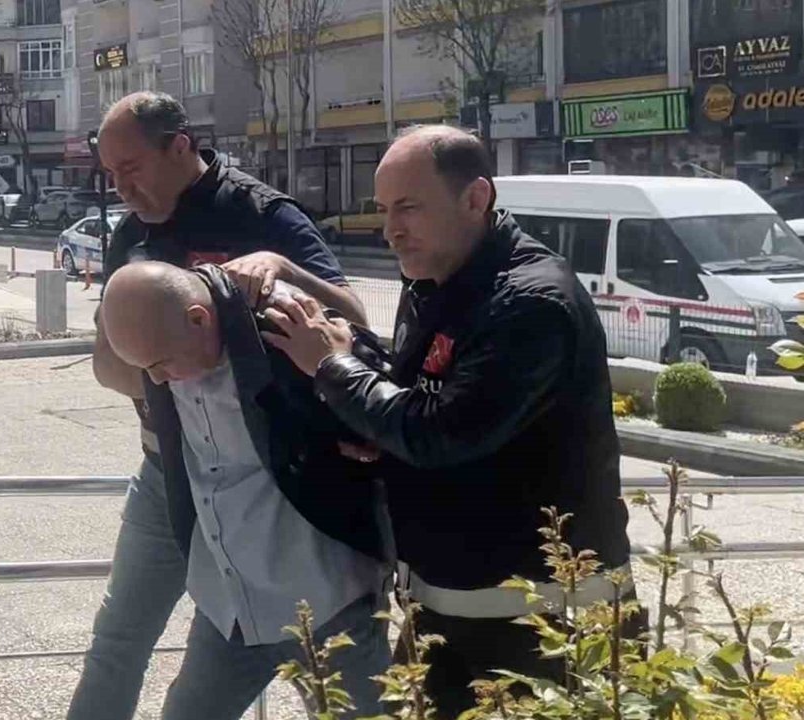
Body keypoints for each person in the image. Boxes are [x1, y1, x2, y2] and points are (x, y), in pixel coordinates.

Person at [261, 125, 633, 717]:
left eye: (408, 207)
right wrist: (369, 411)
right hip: (443, 609)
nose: (391, 229)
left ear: (475, 198)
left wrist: (332, 366)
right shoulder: (433, 280)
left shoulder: (530, 302)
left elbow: (440, 432)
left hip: (544, 623)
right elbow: (421, 403)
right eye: (384, 209)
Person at [67, 90, 369, 720]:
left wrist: (283, 268)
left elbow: (353, 323)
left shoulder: (260, 214)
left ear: (179, 147)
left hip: (268, 479)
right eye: (111, 174)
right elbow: (109, 363)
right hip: (169, 467)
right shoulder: (131, 235)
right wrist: (172, 371)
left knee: (315, 655)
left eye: (132, 169)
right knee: (118, 636)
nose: (122, 189)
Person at [100, 260, 393, 718]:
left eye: (160, 363)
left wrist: (345, 419)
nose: (155, 381)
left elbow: (384, 411)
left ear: (199, 320)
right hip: (227, 605)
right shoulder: (167, 341)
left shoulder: (287, 325)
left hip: (327, 602)